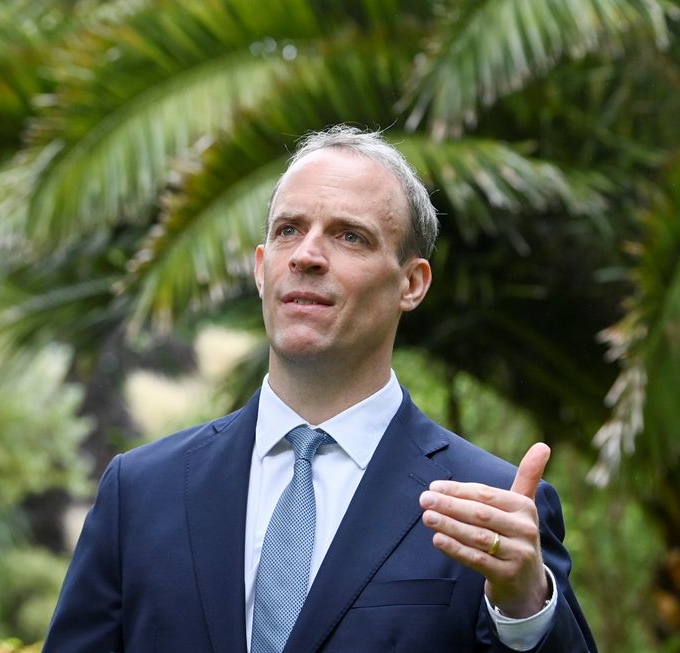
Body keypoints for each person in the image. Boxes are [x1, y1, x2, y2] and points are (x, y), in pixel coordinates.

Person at [43, 125, 597, 653]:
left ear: (411, 283)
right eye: (288, 230)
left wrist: (526, 609)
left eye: (349, 236)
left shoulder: (491, 506)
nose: (306, 255)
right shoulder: (140, 494)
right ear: (262, 269)